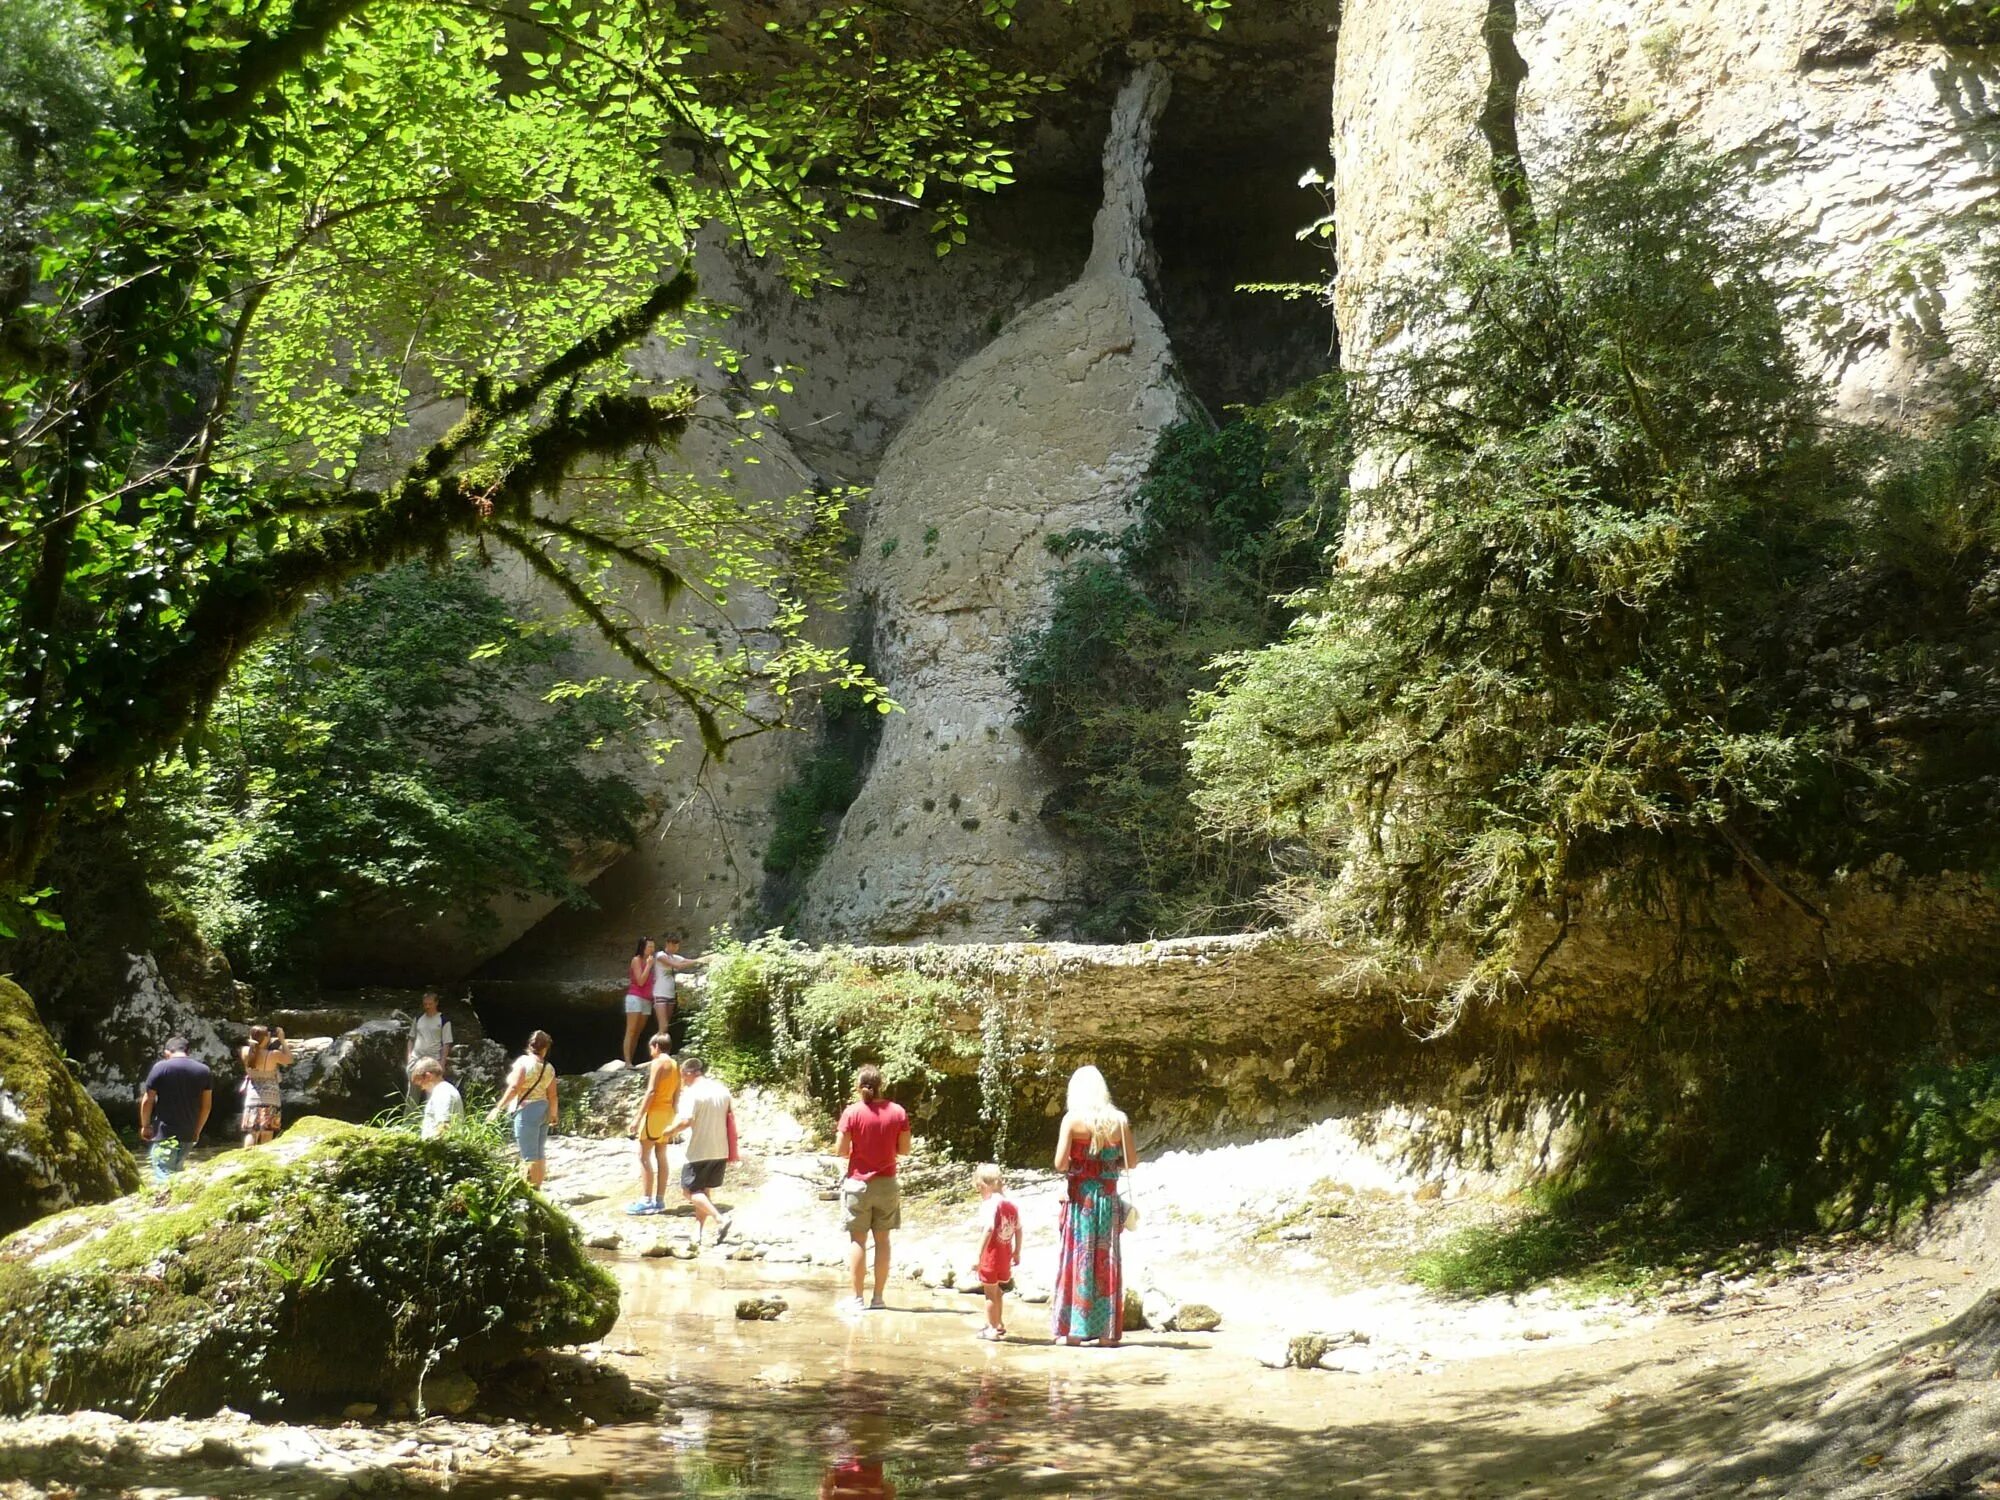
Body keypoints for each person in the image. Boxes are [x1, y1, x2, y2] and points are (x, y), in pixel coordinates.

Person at [1050, 1064, 1136, 1347]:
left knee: (1078, 1259)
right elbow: (1131, 1162)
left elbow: (1060, 1163)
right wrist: (1108, 1164)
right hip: (1108, 1200)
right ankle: (1107, 1334)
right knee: (1106, 1261)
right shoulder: (1119, 1120)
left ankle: (1075, 1331)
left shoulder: (1073, 1121)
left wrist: (1083, 1162)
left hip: (1081, 1201)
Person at [834, 1063, 910, 1314]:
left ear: (858, 1086)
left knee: (858, 1240)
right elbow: (905, 1150)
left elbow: (841, 1150)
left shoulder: (852, 1112)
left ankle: (856, 1299)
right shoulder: (897, 1112)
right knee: (883, 1240)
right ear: (881, 1085)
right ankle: (878, 1298)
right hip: (887, 1183)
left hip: (858, 1184)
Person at [665, 1056, 734, 1244]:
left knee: (688, 1192)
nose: (683, 1082)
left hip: (698, 1150)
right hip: (720, 1149)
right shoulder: (722, 1090)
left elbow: (686, 1121)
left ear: (688, 1074)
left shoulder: (692, 1093)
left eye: (683, 1077)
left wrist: (668, 1132)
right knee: (702, 1191)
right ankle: (698, 1232)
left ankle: (720, 1219)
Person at [138, 1037, 213, 1183]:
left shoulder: (161, 1067)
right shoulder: (204, 1071)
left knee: (163, 1172)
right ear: (188, 1051)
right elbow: (206, 1106)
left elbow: (148, 1100)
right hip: (188, 1132)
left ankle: (165, 1203)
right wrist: (197, 1131)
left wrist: (145, 1126)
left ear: (167, 1053)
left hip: (164, 1132)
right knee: (176, 1171)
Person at [489, 1030, 558, 1187]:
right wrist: (554, 1114)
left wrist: (498, 1108)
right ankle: (538, 1188)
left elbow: (514, 1087)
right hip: (544, 1108)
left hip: (527, 1111)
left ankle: (530, 1191)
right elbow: (553, 1095)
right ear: (545, 1048)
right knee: (539, 1152)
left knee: (528, 1155)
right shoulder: (549, 1068)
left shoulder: (523, 1063)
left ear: (529, 1045)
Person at [626, 1033, 682, 1215]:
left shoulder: (658, 1062)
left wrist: (637, 1117)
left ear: (656, 1046)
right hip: (667, 1114)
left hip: (655, 1113)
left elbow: (651, 1092)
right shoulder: (675, 1064)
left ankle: (646, 1200)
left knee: (643, 1155)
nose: (650, 1051)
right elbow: (676, 1093)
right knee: (661, 1155)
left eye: (651, 1047)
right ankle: (659, 1200)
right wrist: (674, 1114)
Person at [972, 1162, 1022, 1341]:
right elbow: (1018, 1228)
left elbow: (989, 1228)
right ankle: (999, 1324)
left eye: (979, 1188)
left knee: (990, 1293)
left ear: (984, 1185)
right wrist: (1017, 1251)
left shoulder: (990, 1205)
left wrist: (978, 1253)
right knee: (998, 1290)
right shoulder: (1011, 1204)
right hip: (1005, 1254)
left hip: (991, 1255)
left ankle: (991, 1329)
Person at [237, 1024, 294, 1147]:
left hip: (252, 1097)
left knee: (252, 1132)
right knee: (267, 1132)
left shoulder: (245, 1051)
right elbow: (289, 1059)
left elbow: (256, 1050)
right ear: (266, 1038)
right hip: (270, 1098)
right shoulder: (273, 1055)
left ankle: (246, 1157)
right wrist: (282, 1040)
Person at [649, 933, 702, 1044]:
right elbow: (677, 965)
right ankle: (657, 1051)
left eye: (677, 946)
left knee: (666, 1026)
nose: (675, 948)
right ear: (667, 944)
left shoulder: (675, 957)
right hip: (660, 993)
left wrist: (701, 960)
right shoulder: (660, 955)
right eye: (673, 945)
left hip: (671, 995)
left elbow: (688, 961)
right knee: (662, 1026)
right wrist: (695, 961)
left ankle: (660, 1049)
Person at [405, 990, 455, 1088]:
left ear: (436, 1003)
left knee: (432, 1091)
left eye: (430, 1004)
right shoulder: (418, 1018)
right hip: (416, 1060)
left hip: (433, 1061)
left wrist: (442, 1063)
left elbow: (446, 1043)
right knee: (413, 1091)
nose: (427, 1006)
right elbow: (411, 1038)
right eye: (425, 1004)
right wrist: (409, 1056)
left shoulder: (443, 1020)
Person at [621, 938, 655, 1066]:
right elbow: (640, 981)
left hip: (647, 1000)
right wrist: (648, 966)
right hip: (635, 997)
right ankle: (627, 1062)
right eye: (649, 947)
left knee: (638, 1032)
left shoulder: (650, 962)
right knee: (631, 1030)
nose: (652, 949)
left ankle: (631, 1060)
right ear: (642, 947)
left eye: (653, 947)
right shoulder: (637, 960)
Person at [411, 1057, 463, 1139]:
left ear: (428, 1076)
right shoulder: (446, 1089)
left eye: (421, 1083)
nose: (422, 1088)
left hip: (439, 1149)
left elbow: (444, 1126)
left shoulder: (441, 1092)